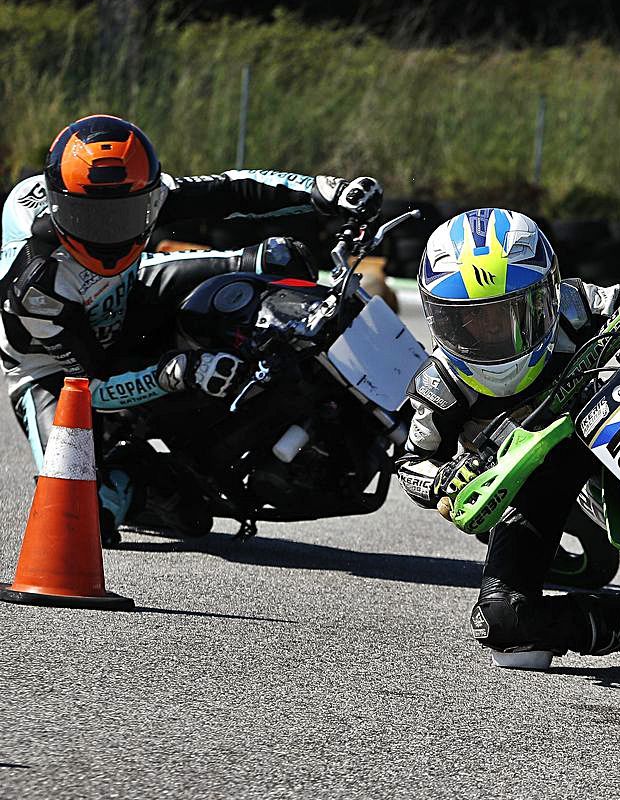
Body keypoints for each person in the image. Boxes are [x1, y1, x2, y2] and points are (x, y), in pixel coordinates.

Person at [1, 114, 382, 542]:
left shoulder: (145, 191)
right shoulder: (35, 285)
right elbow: (89, 385)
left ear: (148, 195)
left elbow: (228, 190)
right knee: (81, 514)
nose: (108, 234)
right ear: (57, 206)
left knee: (279, 262)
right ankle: (131, 478)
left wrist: (322, 190)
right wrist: (172, 373)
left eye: (124, 216)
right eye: (90, 218)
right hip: (54, 371)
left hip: (131, 290)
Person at [396, 205, 620, 671]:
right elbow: (413, 460)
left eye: (509, 315)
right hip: (532, 483)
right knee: (504, 627)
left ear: (545, 298)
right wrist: (441, 484)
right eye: (470, 323)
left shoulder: (573, 306)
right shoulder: (441, 383)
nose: (494, 335)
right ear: (439, 320)